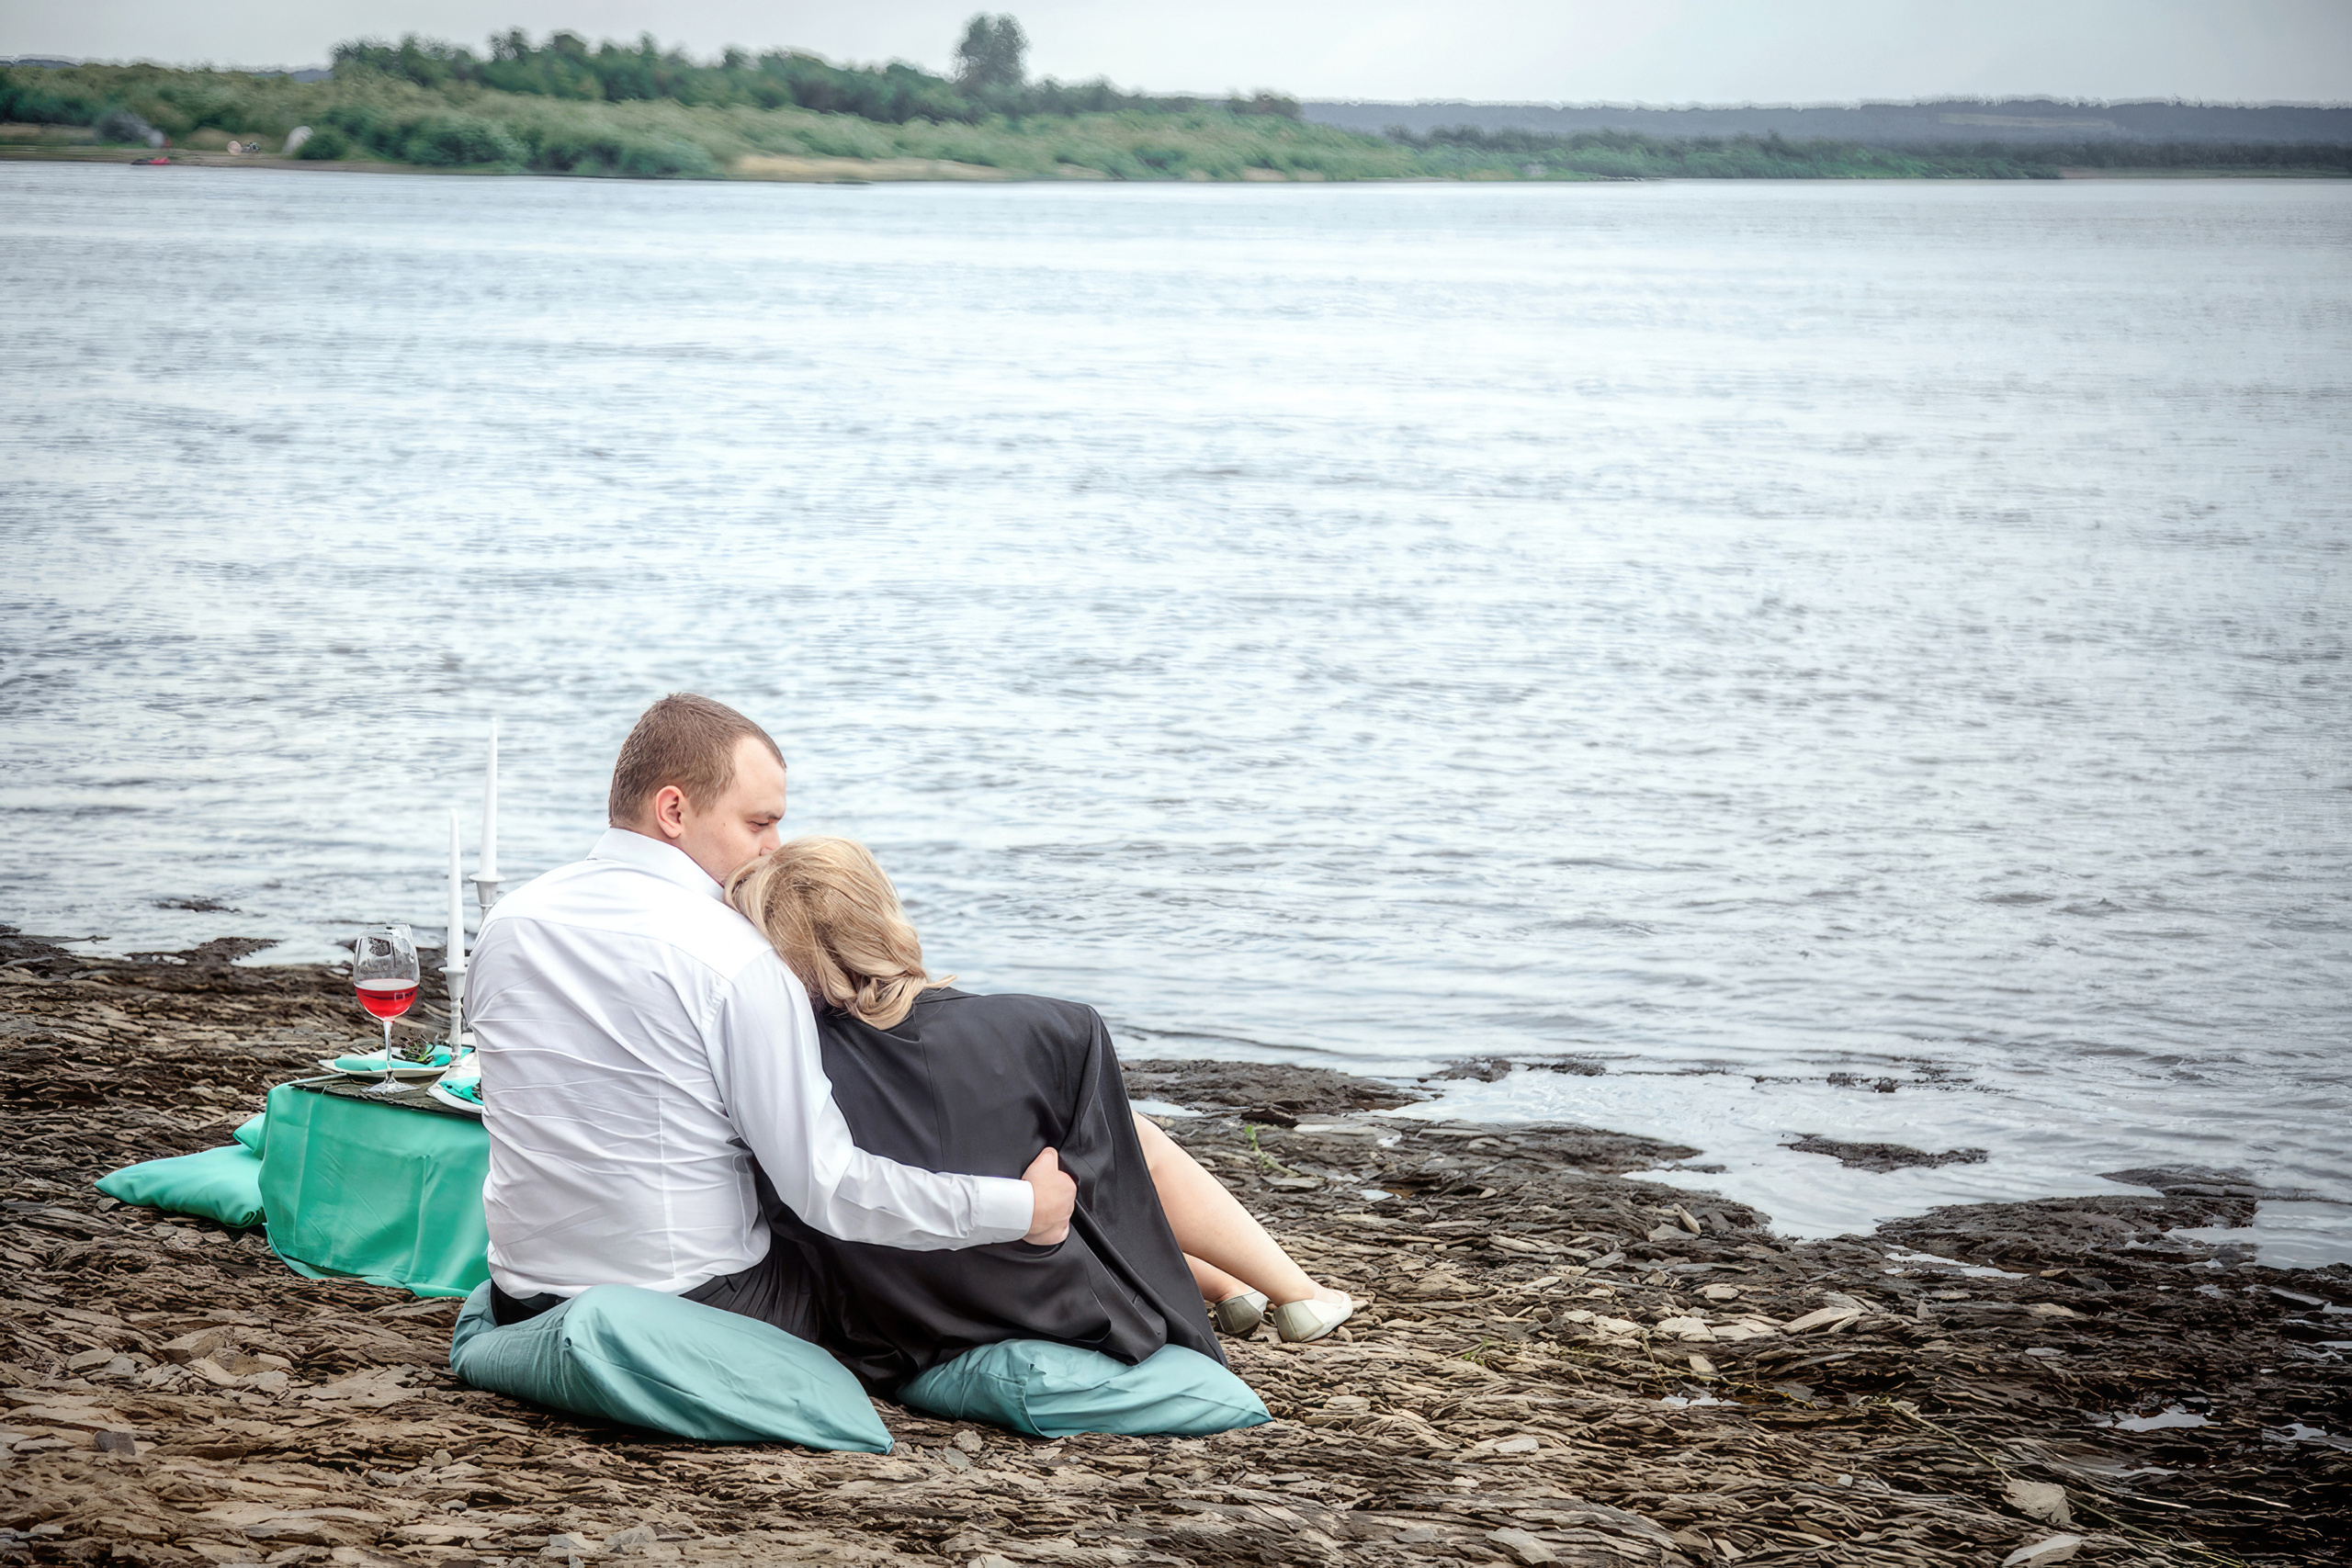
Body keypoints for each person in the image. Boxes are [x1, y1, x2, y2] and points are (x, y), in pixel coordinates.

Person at [465, 694, 1077, 1330]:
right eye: (760, 824)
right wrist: (1021, 1210)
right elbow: (829, 1188)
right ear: (673, 809)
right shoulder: (734, 957)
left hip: (521, 1296)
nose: (773, 849)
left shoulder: (507, 923)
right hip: (690, 1306)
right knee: (888, 1276)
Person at [724, 836, 1353, 1393]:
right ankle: (1299, 1293)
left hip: (888, 1315)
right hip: (1038, 1299)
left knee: (1035, 1159)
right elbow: (1112, 1200)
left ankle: (1227, 1284)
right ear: (882, 912)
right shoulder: (1051, 1028)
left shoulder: (774, 1064)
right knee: (1126, 1147)